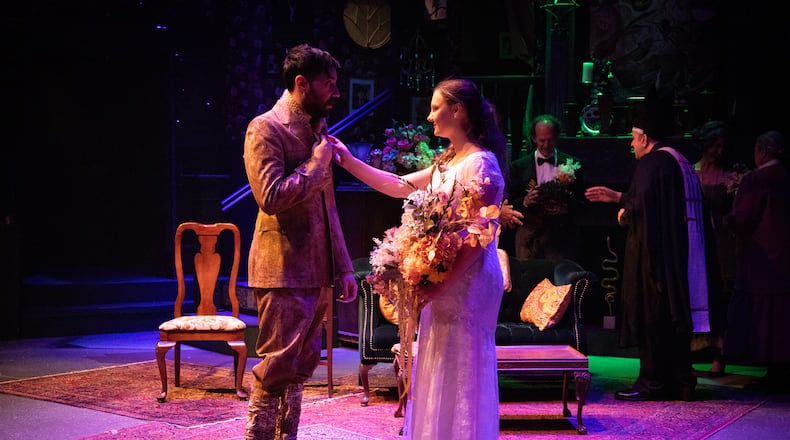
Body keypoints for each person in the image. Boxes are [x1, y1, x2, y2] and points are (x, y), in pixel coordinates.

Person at [332, 78, 507, 439]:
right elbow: (397, 185)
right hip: (442, 278)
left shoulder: (481, 164)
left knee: (462, 363)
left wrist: (439, 284)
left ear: (457, 110)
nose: (429, 117)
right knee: (437, 359)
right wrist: (348, 162)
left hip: (468, 281)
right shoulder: (446, 162)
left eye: (435, 107)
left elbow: (475, 238)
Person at [242, 43, 358, 440]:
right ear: (302, 83)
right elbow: (270, 197)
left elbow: (328, 209)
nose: (336, 93)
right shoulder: (265, 128)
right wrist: (316, 164)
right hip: (283, 269)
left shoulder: (317, 131)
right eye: (329, 85)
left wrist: (342, 267)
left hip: (317, 271)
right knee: (276, 366)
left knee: (300, 369)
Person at [585, 90, 714, 402]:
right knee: (675, 319)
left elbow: (640, 210)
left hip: (654, 260)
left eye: (632, 138)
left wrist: (622, 213)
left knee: (653, 317)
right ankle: (682, 381)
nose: (630, 145)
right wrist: (618, 197)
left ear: (643, 137)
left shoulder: (651, 164)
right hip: (680, 257)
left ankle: (652, 383)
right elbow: (660, 204)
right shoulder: (679, 161)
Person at [723, 130, 790, 390]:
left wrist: (726, 219)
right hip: (784, 258)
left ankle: (775, 372)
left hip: (764, 258)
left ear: (761, 152)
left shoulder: (758, 180)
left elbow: (743, 218)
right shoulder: (785, 176)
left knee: (767, 316)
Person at [499, 114, 584, 262]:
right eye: (541, 141)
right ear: (533, 138)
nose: (546, 145)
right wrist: (524, 201)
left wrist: (566, 207)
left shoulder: (573, 164)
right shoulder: (518, 167)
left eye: (550, 140)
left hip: (561, 238)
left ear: (557, 137)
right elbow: (507, 203)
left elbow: (583, 203)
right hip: (528, 238)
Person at [691, 120, 737, 376]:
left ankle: (720, 356)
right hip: (697, 240)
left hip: (722, 241)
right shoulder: (692, 172)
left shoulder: (730, 175)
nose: (719, 151)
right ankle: (692, 351)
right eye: (714, 146)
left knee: (721, 295)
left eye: (723, 146)